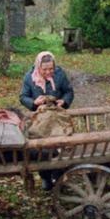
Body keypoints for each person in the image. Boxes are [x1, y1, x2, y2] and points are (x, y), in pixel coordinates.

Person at [19, 51, 75, 191]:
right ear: (38, 66)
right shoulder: (29, 77)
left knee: (62, 145)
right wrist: (34, 102)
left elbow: (69, 91)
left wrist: (64, 101)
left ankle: (59, 175)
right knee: (42, 149)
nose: (48, 72)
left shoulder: (60, 74)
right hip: (40, 119)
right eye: (45, 69)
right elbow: (23, 96)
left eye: (51, 69)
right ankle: (45, 177)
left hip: (57, 117)